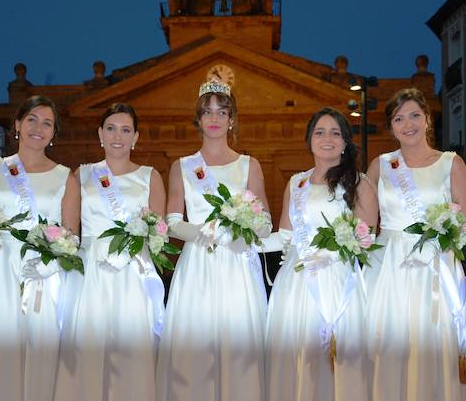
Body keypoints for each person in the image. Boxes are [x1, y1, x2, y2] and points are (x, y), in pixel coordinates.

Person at [363, 87, 466, 400]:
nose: (408, 124)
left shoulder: (451, 163)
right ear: (391, 126)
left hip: (435, 266)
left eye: (415, 115)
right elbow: (363, 224)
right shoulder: (381, 165)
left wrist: (447, 234)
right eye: (399, 118)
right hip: (388, 266)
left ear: (428, 119)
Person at [156, 80, 270, 400]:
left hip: (238, 266)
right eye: (207, 112)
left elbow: (264, 223)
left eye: (222, 111)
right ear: (199, 120)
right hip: (198, 267)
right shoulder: (183, 167)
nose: (215, 118)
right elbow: (172, 221)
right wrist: (203, 233)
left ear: (232, 118)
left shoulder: (250, 165)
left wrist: (241, 231)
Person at [54, 103, 166, 400]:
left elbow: (159, 232)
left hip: (133, 274)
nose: (118, 136)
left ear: (136, 137)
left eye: (126, 130)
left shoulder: (150, 176)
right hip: (91, 272)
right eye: (111, 128)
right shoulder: (82, 175)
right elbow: (69, 230)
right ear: (100, 134)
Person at [0, 95, 79, 401]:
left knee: (40, 356)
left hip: (44, 279)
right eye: (31, 119)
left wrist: (46, 265)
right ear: (17, 124)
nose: (38, 128)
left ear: (53, 132)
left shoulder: (65, 177)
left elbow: (71, 236)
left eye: (47, 123)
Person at [264, 107, 373, 400]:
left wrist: (332, 253)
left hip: (338, 282)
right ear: (309, 139)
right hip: (296, 284)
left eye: (335, 133)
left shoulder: (358, 182)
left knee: (339, 365)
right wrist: (244, 241)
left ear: (345, 141)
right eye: (320, 132)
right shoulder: (295, 183)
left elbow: (366, 236)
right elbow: (285, 236)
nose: (327, 139)